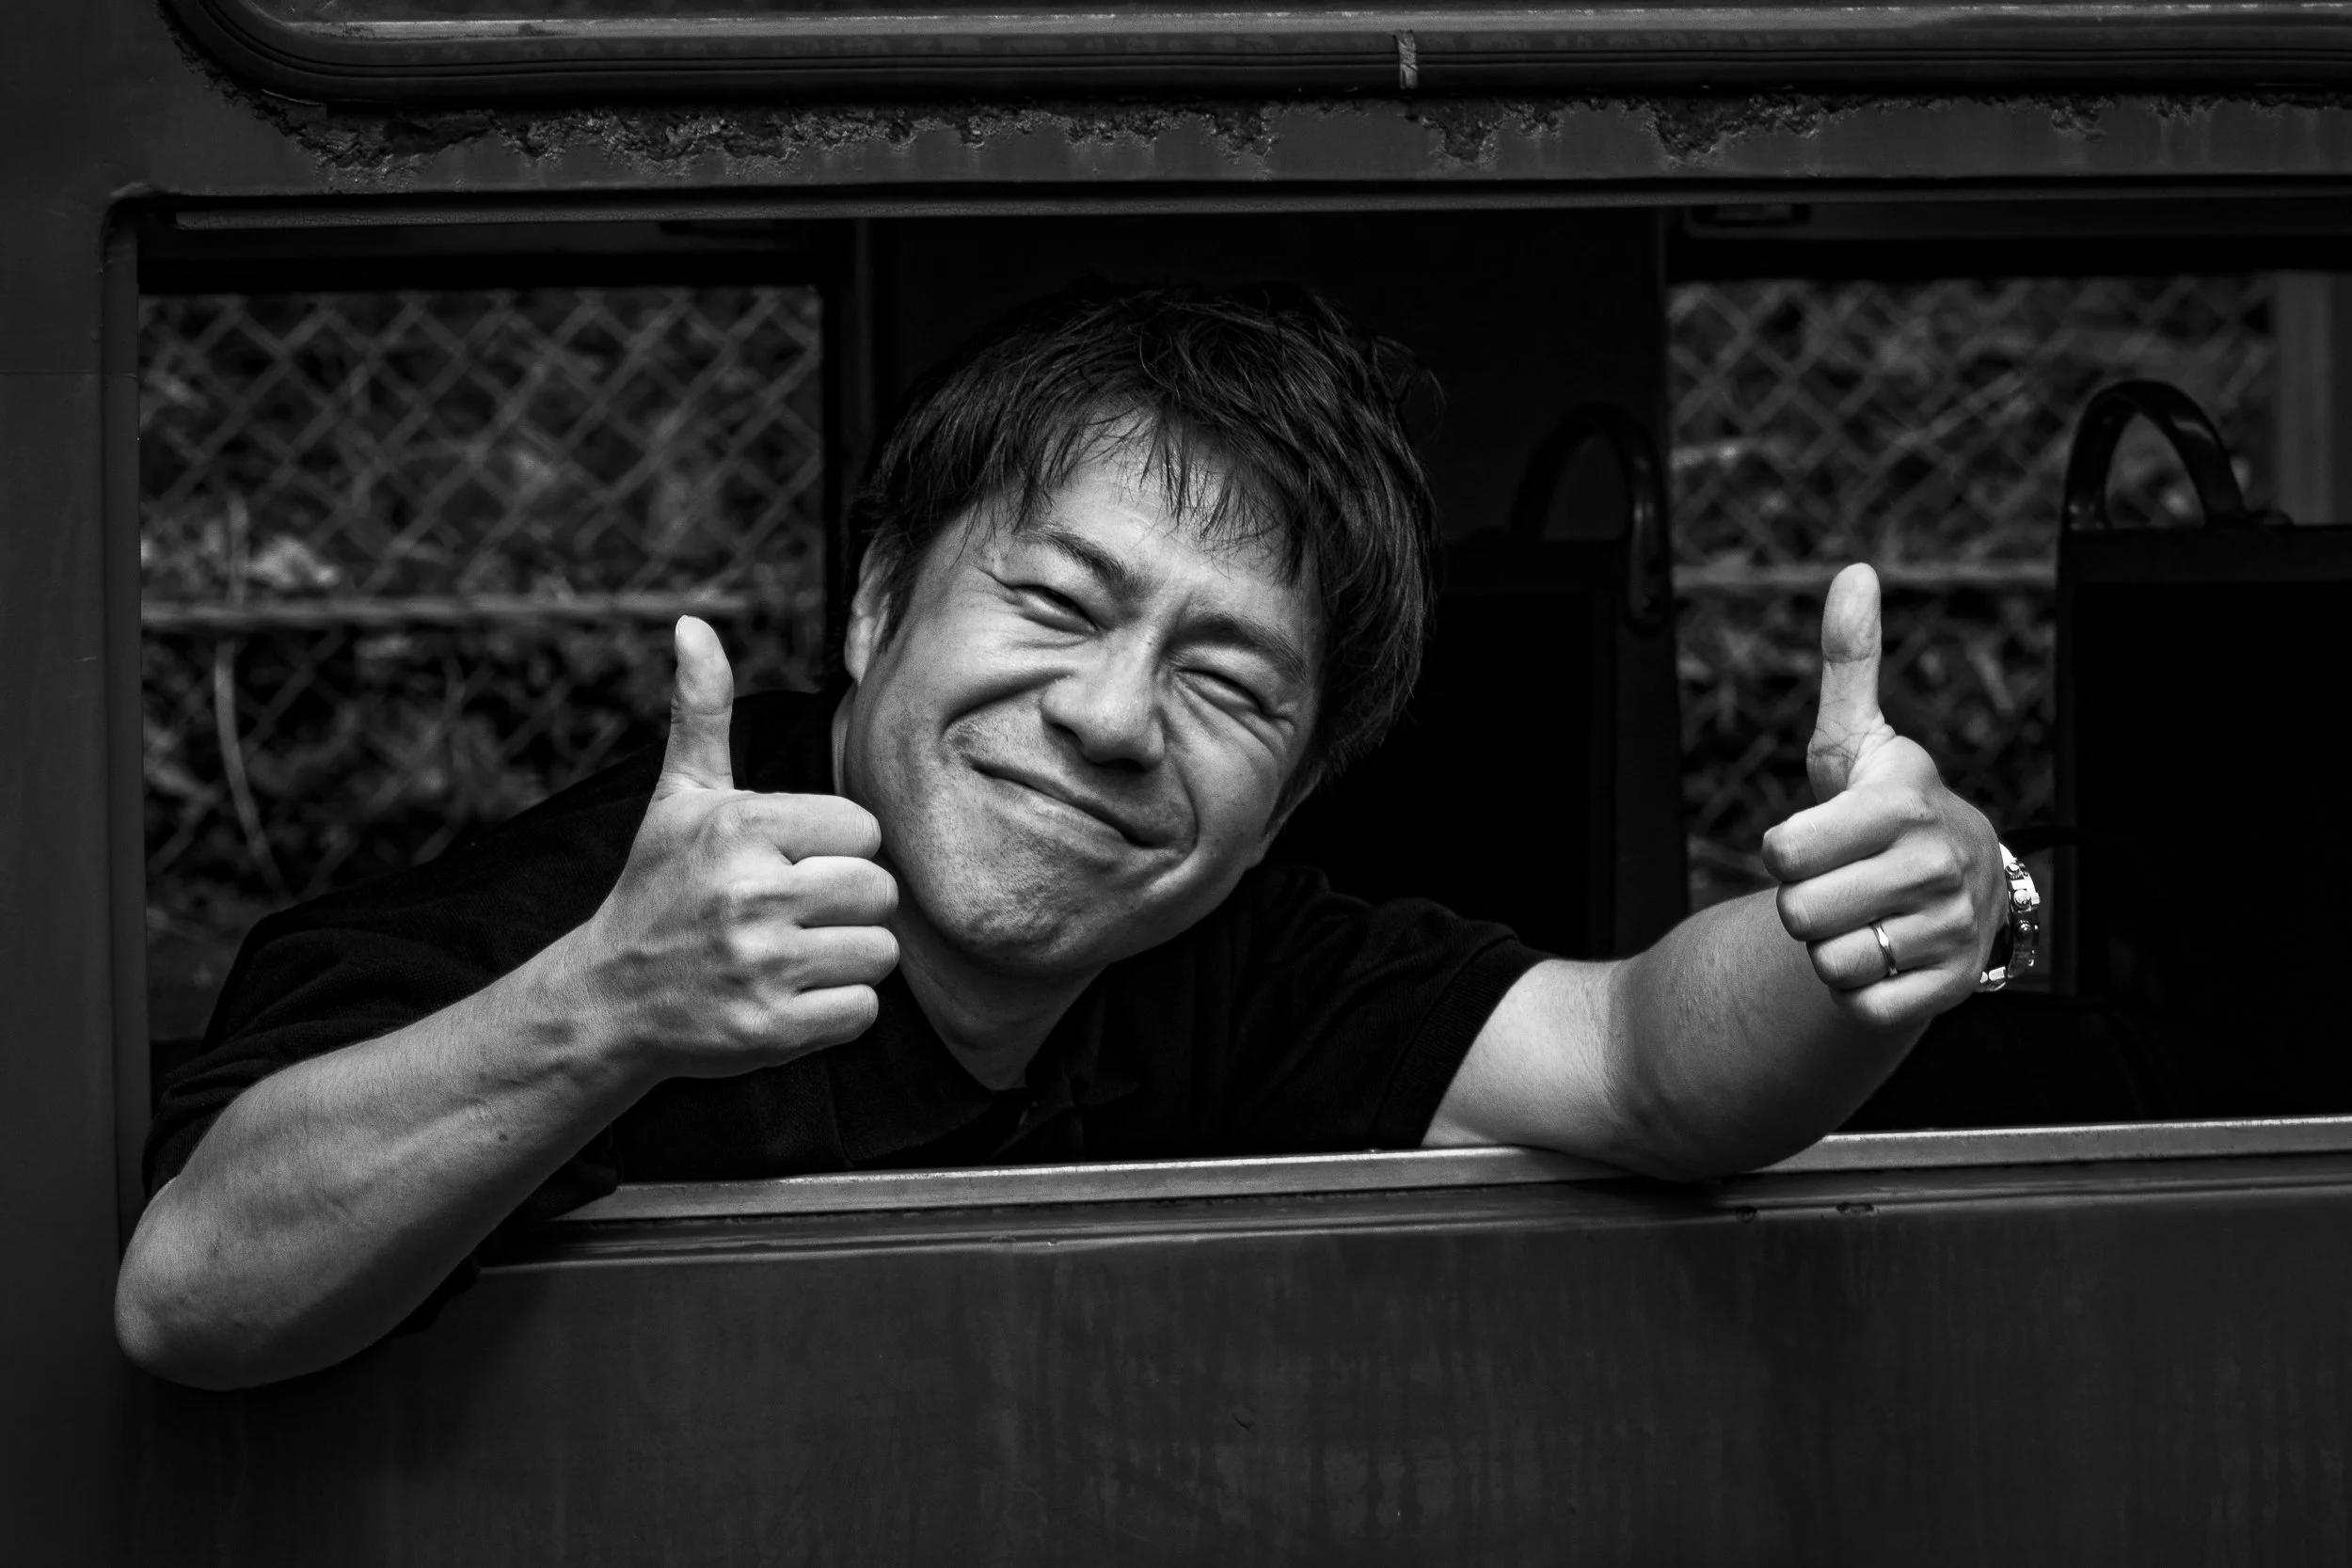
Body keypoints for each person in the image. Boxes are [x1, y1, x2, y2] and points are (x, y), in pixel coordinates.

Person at [116, 283, 2021, 1390]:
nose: (1111, 714)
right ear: (874, 604)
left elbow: (1639, 1062)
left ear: (1287, 786)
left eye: (1224, 677)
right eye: (1051, 601)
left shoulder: (1238, 951)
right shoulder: (611, 903)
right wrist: (602, 1008)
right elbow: (189, 1288)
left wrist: (1864, 932)